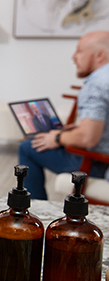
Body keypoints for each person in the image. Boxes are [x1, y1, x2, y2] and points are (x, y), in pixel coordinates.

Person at [20, 31, 109, 200]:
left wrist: (57, 138)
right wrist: (79, 128)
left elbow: (88, 139)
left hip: (100, 163)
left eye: (79, 51)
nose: (74, 57)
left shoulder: (97, 84)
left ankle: (35, 213)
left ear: (99, 55)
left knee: (28, 147)